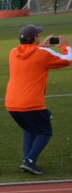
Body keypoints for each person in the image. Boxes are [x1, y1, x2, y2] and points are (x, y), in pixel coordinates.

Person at [5, 24, 72, 175]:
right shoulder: (42, 53)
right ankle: (29, 161)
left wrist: (42, 46)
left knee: (29, 128)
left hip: (11, 103)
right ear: (34, 38)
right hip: (31, 103)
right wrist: (64, 45)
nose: (40, 37)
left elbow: (31, 55)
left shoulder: (13, 52)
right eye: (38, 35)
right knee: (45, 132)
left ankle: (27, 159)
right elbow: (68, 59)